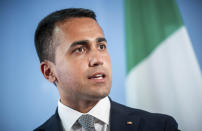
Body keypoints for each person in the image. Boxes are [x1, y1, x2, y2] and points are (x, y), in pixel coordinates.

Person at [34, 8, 179, 131]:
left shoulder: (160, 127)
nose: (98, 59)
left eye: (101, 46)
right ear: (49, 72)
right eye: (80, 50)